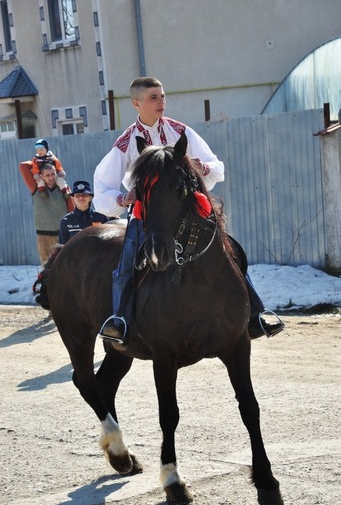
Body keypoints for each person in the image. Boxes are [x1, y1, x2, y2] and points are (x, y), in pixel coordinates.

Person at [93, 76, 284, 344]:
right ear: (136, 103)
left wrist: (201, 167)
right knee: (126, 265)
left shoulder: (181, 131)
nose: (161, 102)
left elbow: (217, 168)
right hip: (147, 217)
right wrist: (124, 198)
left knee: (231, 251)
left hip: (188, 214)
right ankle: (121, 320)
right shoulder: (126, 143)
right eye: (153, 98)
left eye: (162, 96)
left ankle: (255, 314)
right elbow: (101, 192)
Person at [19, 160, 74, 265]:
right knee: (46, 269)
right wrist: (40, 161)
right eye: (47, 175)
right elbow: (22, 166)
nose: (51, 178)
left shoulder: (63, 188)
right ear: (41, 176)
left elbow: (72, 210)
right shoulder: (35, 187)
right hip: (43, 236)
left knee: (63, 267)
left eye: (53, 174)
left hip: (62, 235)